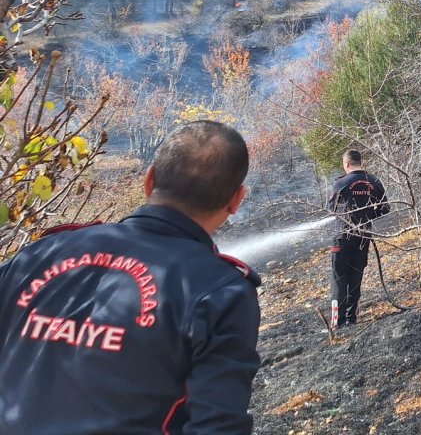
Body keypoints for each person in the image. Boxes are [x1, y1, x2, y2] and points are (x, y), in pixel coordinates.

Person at [0, 120, 261, 434]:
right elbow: (217, 426)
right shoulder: (222, 291)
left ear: (148, 180)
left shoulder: (39, 254)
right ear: (236, 200)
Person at [327, 148, 388, 328]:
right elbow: (385, 208)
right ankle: (351, 319)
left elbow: (330, 209)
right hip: (363, 237)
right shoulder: (374, 181)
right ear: (361, 162)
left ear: (346, 164)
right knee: (356, 277)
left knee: (339, 279)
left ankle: (337, 323)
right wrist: (367, 217)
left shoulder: (340, 184)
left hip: (342, 237)